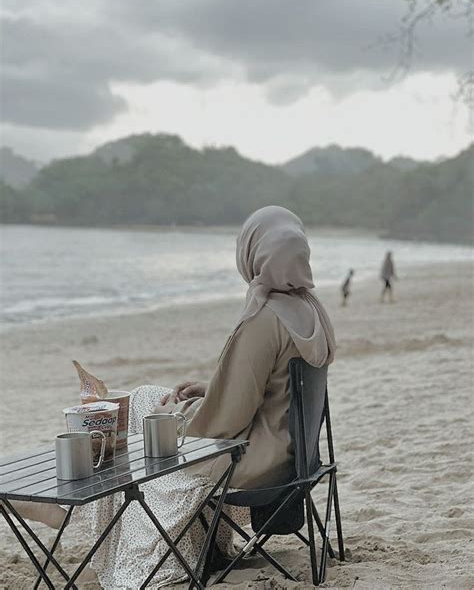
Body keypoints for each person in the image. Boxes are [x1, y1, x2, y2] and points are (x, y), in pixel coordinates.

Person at [7, 206, 336, 589]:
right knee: (147, 397)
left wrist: (177, 416)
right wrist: (205, 392)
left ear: (252, 252)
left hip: (255, 461)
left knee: (145, 423)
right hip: (296, 456)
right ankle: (81, 510)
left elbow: (226, 420)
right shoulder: (311, 309)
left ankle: (67, 509)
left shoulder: (264, 320)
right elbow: (271, 392)